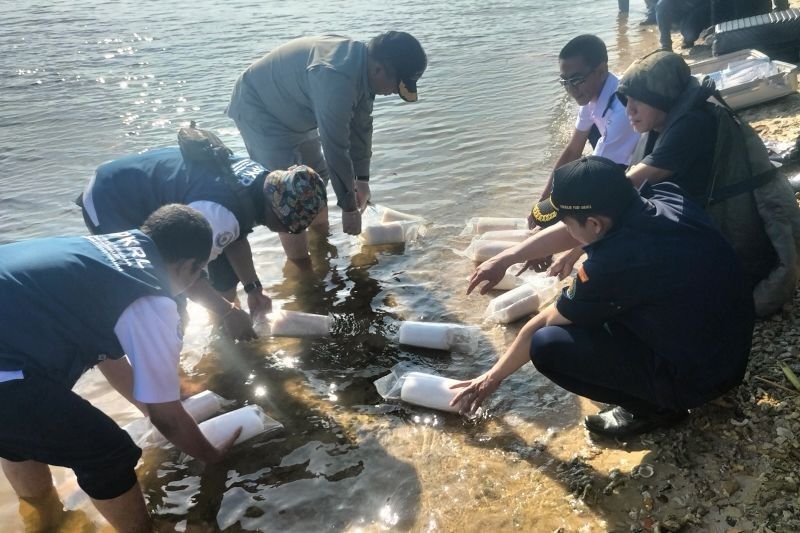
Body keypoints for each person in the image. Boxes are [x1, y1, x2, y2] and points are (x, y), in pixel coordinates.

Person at [457, 157, 755, 437]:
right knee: (602, 311)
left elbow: (543, 324)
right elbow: (581, 229)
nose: (568, 232)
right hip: (731, 348)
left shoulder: (613, 265)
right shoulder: (666, 198)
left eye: (568, 222)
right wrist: (509, 256)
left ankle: (658, 410)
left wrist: (492, 377)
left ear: (595, 224)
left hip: (703, 377)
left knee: (547, 346)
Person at [0, 205, 242, 531]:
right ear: (189, 267)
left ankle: (44, 518)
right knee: (107, 452)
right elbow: (167, 418)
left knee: (21, 436)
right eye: (200, 272)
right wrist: (211, 456)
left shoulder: (107, 250)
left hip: (10, 351)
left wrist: (151, 406)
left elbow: (106, 356)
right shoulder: (151, 297)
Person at [79, 147, 327, 339]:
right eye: (290, 225)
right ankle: (168, 381)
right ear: (276, 209)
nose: (288, 231)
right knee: (163, 298)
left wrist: (254, 288)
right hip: (113, 199)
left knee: (222, 275)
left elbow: (235, 236)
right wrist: (228, 312)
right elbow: (183, 274)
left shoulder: (261, 182)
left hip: (152, 185)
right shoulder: (217, 213)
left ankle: (222, 340)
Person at [226, 32, 427, 258]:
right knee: (286, 196)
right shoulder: (337, 77)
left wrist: (362, 180)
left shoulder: (364, 73)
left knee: (317, 178)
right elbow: (336, 146)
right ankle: (303, 270)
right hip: (261, 110)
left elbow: (361, 128)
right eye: (396, 85)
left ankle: (320, 243)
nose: (393, 93)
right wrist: (349, 207)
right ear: (379, 69)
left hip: (299, 112)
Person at [540, 35, 640, 201]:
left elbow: (594, 173)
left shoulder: (623, 109)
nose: (571, 89)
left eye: (577, 79)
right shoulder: (590, 95)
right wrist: (544, 197)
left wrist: (556, 205)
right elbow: (573, 149)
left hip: (639, 165)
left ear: (601, 71)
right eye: (565, 81)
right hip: (618, 151)